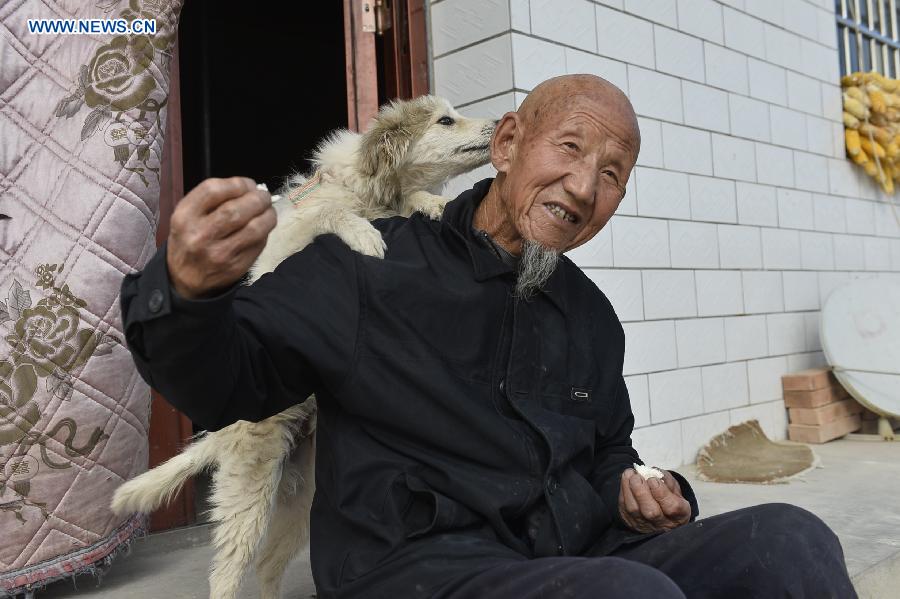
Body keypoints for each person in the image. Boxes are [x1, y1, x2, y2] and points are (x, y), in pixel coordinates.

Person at [121, 75, 857, 598]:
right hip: (411, 567)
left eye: (611, 175)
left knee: (792, 541)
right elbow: (227, 381)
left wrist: (639, 493)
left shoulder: (591, 316)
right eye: (567, 149)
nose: (581, 187)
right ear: (506, 143)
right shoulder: (369, 265)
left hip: (569, 552)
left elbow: (608, 454)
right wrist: (188, 293)